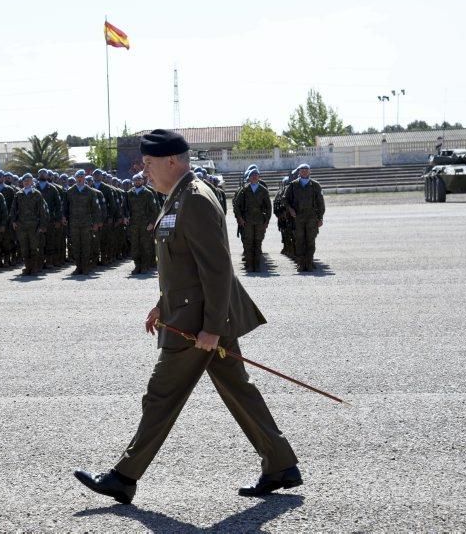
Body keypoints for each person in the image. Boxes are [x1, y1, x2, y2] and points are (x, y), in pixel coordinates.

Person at [74, 129, 300, 504]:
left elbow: (215, 268)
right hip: (192, 315)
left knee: (160, 395)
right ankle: (280, 465)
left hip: (197, 324)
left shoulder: (194, 199)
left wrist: (211, 328)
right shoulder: (179, 196)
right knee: (238, 390)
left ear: (172, 161)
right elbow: (182, 264)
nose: (144, 171)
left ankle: (123, 477)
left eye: (148, 164)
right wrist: (162, 305)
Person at [283, 164, 325, 272]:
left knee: (310, 241)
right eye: (302, 170)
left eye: (306, 170)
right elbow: (285, 199)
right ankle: (301, 264)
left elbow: (321, 203)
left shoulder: (315, 185)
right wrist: (290, 209)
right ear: (299, 172)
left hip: (312, 217)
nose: (304, 171)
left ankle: (309, 263)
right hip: (298, 218)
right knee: (299, 241)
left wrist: (320, 218)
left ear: (310, 171)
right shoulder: (293, 185)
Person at [233, 168, 272, 272]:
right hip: (247, 221)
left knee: (258, 243)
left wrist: (267, 221)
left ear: (259, 177)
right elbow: (237, 206)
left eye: (256, 175)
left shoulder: (263, 190)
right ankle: (250, 265)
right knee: (248, 243)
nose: (254, 177)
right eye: (252, 175)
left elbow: (268, 207)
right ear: (249, 178)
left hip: (259, 221)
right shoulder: (244, 190)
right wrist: (240, 218)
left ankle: (257, 265)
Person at [63, 170, 101, 275]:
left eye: (82, 177)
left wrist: (96, 222)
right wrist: (64, 217)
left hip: (86, 223)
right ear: (75, 178)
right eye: (78, 177)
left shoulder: (90, 191)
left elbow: (96, 208)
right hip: (74, 223)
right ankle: (78, 267)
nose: (80, 178)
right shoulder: (70, 191)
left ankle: (85, 267)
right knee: (75, 245)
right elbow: (65, 206)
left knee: (86, 245)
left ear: (85, 178)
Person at [10, 173, 48, 275]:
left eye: (28, 180)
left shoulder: (37, 194)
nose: (26, 182)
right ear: (22, 182)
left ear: (32, 182)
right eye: (24, 181)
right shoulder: (18, 194)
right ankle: (27, 267)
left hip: (34, 226)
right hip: (21, 225)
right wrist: (13, 221)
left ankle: (34, 267)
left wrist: (42, 226)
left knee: (34, 247)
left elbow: (42, 211)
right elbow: (13, 209)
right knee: (24, 247)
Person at [124, 172, 158, 274]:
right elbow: (125, 207)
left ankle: (144, 266)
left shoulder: (148, 193)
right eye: (135, 180)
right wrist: (125, 217)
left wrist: (152, 223)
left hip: (145, 224)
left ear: (142, 181)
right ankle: (137, 265)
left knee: (145, 245)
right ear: (133, 181)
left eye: (139, 180)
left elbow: (154, 210)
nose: (137, 182)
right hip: (133, 224)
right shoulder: (129, 193)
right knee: (135, 246)